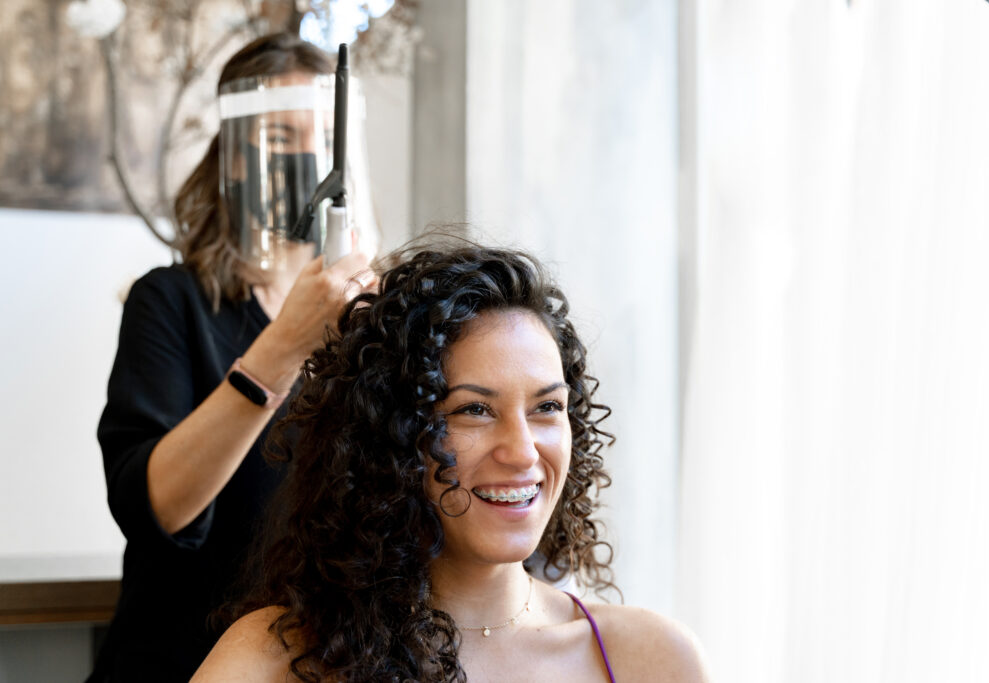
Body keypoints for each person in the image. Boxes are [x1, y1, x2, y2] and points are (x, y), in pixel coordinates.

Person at [191, 245, 708, 682]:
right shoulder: (273, 661)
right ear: (390, 436)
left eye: (547, 407)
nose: (523, 451)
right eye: (474, 410)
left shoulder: (651, 658)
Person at [88, 33, 375, 681]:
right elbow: (154, 508)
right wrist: (281, 347)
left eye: (324, 137)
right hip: (177, 662)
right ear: (235, 158)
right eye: (278, 137)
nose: (307, 158)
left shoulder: (371, 322)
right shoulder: (172, 302)